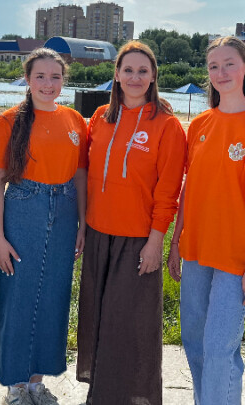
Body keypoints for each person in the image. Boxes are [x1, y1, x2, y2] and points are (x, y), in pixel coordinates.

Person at [168, 36, 245, 405]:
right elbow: (189, 188)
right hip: (196, 250)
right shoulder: (200, 124)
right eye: (214, 66)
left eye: (229, 64)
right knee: (195, 343)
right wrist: (175, 242)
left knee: (220, 350)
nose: (221, 73)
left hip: (236, 256)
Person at [76, 41, 186, 404]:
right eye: (128, 70)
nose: (135, 77)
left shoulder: (167, 126)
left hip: (137, 239)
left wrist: (156, 242)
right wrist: (82, 226)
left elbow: (168, 191)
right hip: (98, 234)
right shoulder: (100, 118)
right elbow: (86, 174)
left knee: (130, 326)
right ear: (117, 75)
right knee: (97, 318)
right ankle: (100, 394)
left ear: (153, 76)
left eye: (142, 71)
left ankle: (131, 397)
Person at [0, 48, 88, 405]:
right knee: (18, 296)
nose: (48, 84)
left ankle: (36, 382)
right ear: (28, 79)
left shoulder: (75, 120)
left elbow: (80, 174)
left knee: (54, 296)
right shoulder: (9, 121)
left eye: (55, 77)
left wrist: (83, 223)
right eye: (40, 77)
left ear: (64, 80)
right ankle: (15, 385)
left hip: (65, 213)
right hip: (23, 210)